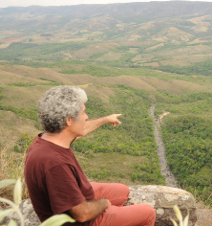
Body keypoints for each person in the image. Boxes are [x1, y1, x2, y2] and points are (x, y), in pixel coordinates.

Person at [24, 85, 156, 226]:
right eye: (83, 113)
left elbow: (83, 129)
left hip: (76, 201)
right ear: (68, 120)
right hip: (81, 221)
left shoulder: (48, 139)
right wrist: (104, 203)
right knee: (148, 213)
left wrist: (106, 119)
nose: (86, 117)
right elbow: (82, 214)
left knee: (123, 191)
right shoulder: (55, 164)